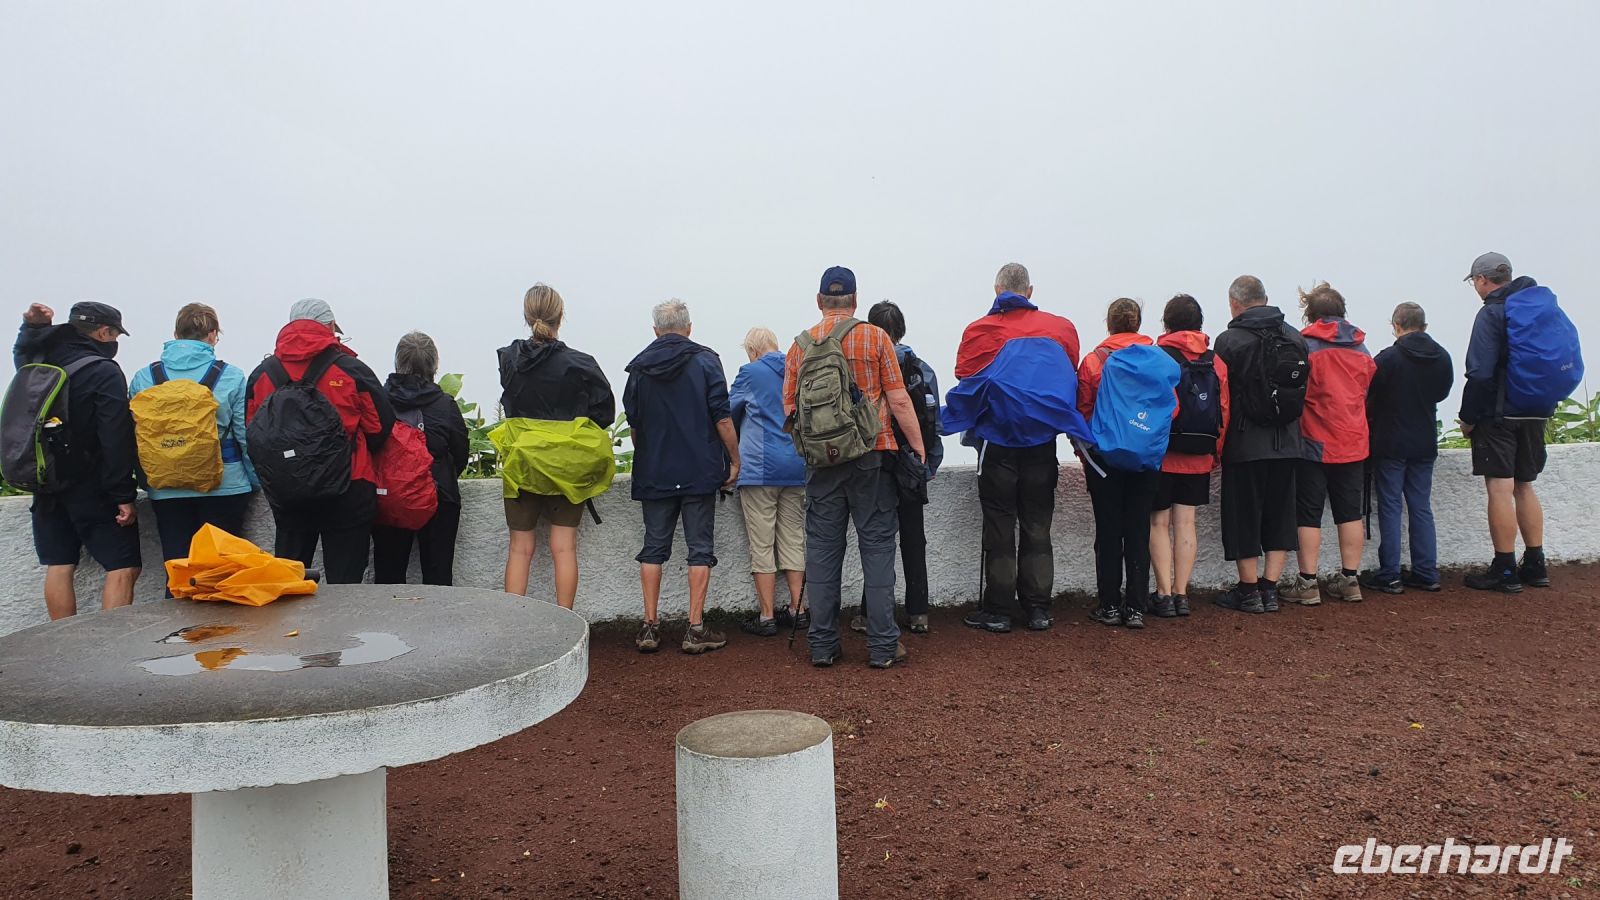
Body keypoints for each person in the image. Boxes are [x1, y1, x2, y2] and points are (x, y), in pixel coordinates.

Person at [784, 266, 926, 669]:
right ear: (855, 300)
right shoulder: (875, 337)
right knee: (878, 550)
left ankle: (823, 646)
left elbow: (790, 410)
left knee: (823, 554)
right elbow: (898, 400)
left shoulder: (800, 346)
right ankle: (883, 647)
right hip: (872, 457)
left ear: (818, 301)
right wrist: (916, 448)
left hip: (822, 466)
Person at [948, 262, 1082, 634]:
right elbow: (1066, 369)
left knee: (1000, 525)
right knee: (1038, 525)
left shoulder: (980, 330)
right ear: (1030, 291)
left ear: (997, 290)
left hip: (998, 441)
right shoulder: (1061, 328)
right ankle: (1039, 609)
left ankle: (1000, 611)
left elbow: (965, 375)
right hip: (1042, 440)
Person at [245, 299, 393, 583]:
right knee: (344, 582)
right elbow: (379, 427)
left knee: (288, 580)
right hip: (348, 485)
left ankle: (290, 628)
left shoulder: (262, 375)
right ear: (328, 327)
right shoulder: (350, 369)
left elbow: (253, 431)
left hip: (288, 489)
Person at [623, 299, 740, 654]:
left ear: (656, 330)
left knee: (653, 547)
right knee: (699, 549)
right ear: (688, 327)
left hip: (655, 470)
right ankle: (695, 629)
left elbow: (635, 425)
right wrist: (734, 459)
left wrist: (648, 454)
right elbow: (722, 417)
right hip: (699, 469)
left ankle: (649, 627)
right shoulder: (706, 361)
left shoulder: (639, 369)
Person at [13, 302, 141, 619]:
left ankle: (64, 648)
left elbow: (22, 354)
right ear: (104, 332)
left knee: (60, 565)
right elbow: (115, 437)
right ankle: (108, 648)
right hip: (91, 485)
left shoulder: (39, 362)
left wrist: (31, 328)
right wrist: (123, 495)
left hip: (44, 480)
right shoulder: (103, 371)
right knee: (123, 566)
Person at [1459, 252, 1575, 592]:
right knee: (1525, 484)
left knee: (1500, 487)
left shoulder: (1491, 313)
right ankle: (1535, 564)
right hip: (1537, 409)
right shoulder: (1538, 309)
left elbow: (1479, 373)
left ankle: (1505, 568)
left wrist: (1468, 419)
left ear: (1482, 280)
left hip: (1500, 413)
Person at [498, 284, 616, 608]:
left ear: (526, 316)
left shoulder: (509, 360)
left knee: (520, 549)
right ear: (561, 316)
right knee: (563, 548)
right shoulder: (581, 363)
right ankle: (565, 628)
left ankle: (513, 625)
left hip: (522, 462)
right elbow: (604, 414)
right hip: (567, 466)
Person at [127, 303, 258, 567]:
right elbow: (245, 436)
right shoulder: (231, 375)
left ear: (176, 335)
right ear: (212, 335)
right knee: (223, 571)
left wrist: (148, 480)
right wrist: (253, 480)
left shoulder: (144, 377)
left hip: (167, 489)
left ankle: (175, 607)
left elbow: (135, 436)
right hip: (225, 485)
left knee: (178, 569)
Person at [845, 300, 943, 635]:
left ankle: (870, 613)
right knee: (914, 538)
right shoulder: (922, 368)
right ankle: (919, 613)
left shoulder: (870, 364)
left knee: (879, 540)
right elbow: (934, 420)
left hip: (880, 460)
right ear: (901, 329)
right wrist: (926, 461)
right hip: (913, 463)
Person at [1212, 276, 1308, 614]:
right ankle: (1270, 589)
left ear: (1234, 303)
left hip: (1245, 442)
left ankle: (1249, 590)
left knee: (1244, 515)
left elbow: (1221, 396)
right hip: (1288, 441)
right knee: (1280, 514)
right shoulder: (1294, 337)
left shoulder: (1228, 341)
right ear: (1265, 299)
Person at [1279, 284, 1376, 605]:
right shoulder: (1363, 351)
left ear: (1311, 313)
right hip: (1353, 442)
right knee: (1350, 513)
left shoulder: (1306, 347)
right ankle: (1350, 579)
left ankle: (1308, 583)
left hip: (1314, 441)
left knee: (1308, 514)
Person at [1077, 299, 1162, 629]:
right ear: (1138, 323)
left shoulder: (1094, 361)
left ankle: (1110, 605)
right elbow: (1171, 409)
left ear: (1109, 324)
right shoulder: (1158, 361)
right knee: (1139, 530)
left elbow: (1083, 410)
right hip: (1146, 457)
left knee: (1109, 530)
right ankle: (1137, 608)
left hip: (1104, 459)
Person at [1361, 302, 1453, 595]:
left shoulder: (1388, 359)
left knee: (1390, 506)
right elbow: (1442, 392)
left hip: (1390, 440)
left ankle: (1389, 573)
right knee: (1420, 506)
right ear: (1424, 326)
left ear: (1396, 326)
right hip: (1424, 440)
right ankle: (1426, 571)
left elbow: (1369, 397)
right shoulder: (1442, 357)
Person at [1148, 294, 1229, 618]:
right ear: (1199, 324)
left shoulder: (1159, 357)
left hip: (1163, 454)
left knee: (1158, 522)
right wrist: (1216, 451)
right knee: (1186, 523)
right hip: (1199, 454)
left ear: (1166, 323)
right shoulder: (1215, 361)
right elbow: (1224, 410)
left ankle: (1163, 595)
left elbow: (1153, 407)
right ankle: (1182, 594)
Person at [372, 332, 469, 586]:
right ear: (433, 365)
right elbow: (461, 453)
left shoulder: (379, 401)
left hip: (388, 497)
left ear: (398, 362)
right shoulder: (445, 405)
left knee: (388, 579)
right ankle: (438, 626)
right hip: (439, 496)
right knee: (438, 579)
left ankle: (389, 625)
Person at [729, 326, 807, 636]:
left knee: (762, 543)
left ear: (751, 350)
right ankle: (798, 609)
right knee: (793, 538)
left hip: (760, 469)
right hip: (797, 465)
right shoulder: (797, 368)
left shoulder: (750, 373)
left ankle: (766, 616)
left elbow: (728, 412)